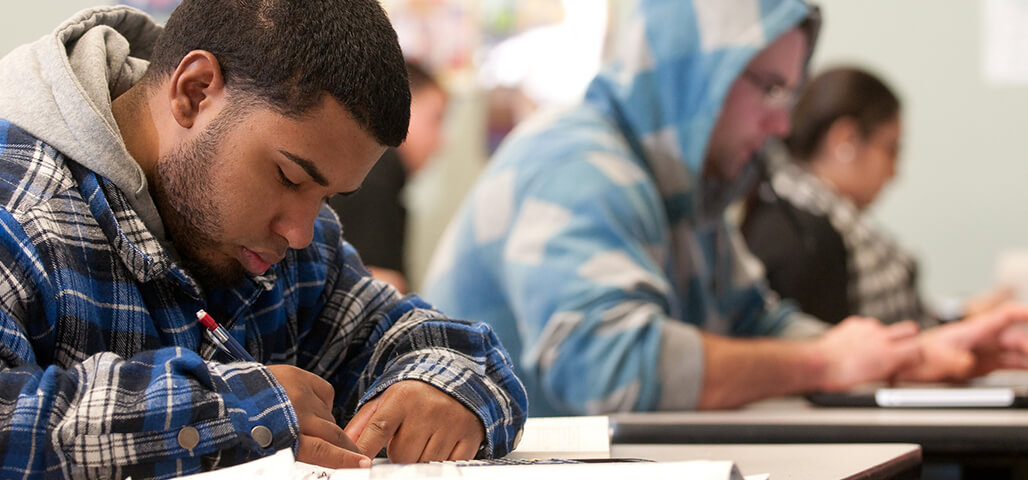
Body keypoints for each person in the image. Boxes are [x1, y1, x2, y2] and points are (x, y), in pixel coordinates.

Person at [424, 0, 1028, 416]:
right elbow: (611, 373)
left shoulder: (685, 192)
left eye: (789, 94)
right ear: (698, 75)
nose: (783, 121)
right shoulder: (579, 165)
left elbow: (756, 322)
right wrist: (822, 364)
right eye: (768, 87)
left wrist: (907, 356)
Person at [0, 2, 526, 479]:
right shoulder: (19, 209)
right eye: (289, 178)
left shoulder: (290, 248)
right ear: (195, 91)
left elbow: (439, 342)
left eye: (327, 197)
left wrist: (441, 388)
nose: (299, 233)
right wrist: (236, 411)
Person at [741, 66, 1009, 327]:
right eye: (890, 149)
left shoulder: (813, 216)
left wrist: (959, 318)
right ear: (844, 140)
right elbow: (833, 356)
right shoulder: (804, 238)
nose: (894, 172)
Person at [330, 61, 448, 294]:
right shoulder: (376, 176)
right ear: (400, 107)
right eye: (436, 119)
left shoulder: (375, 171)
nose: (441, 141)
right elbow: (383, 284)